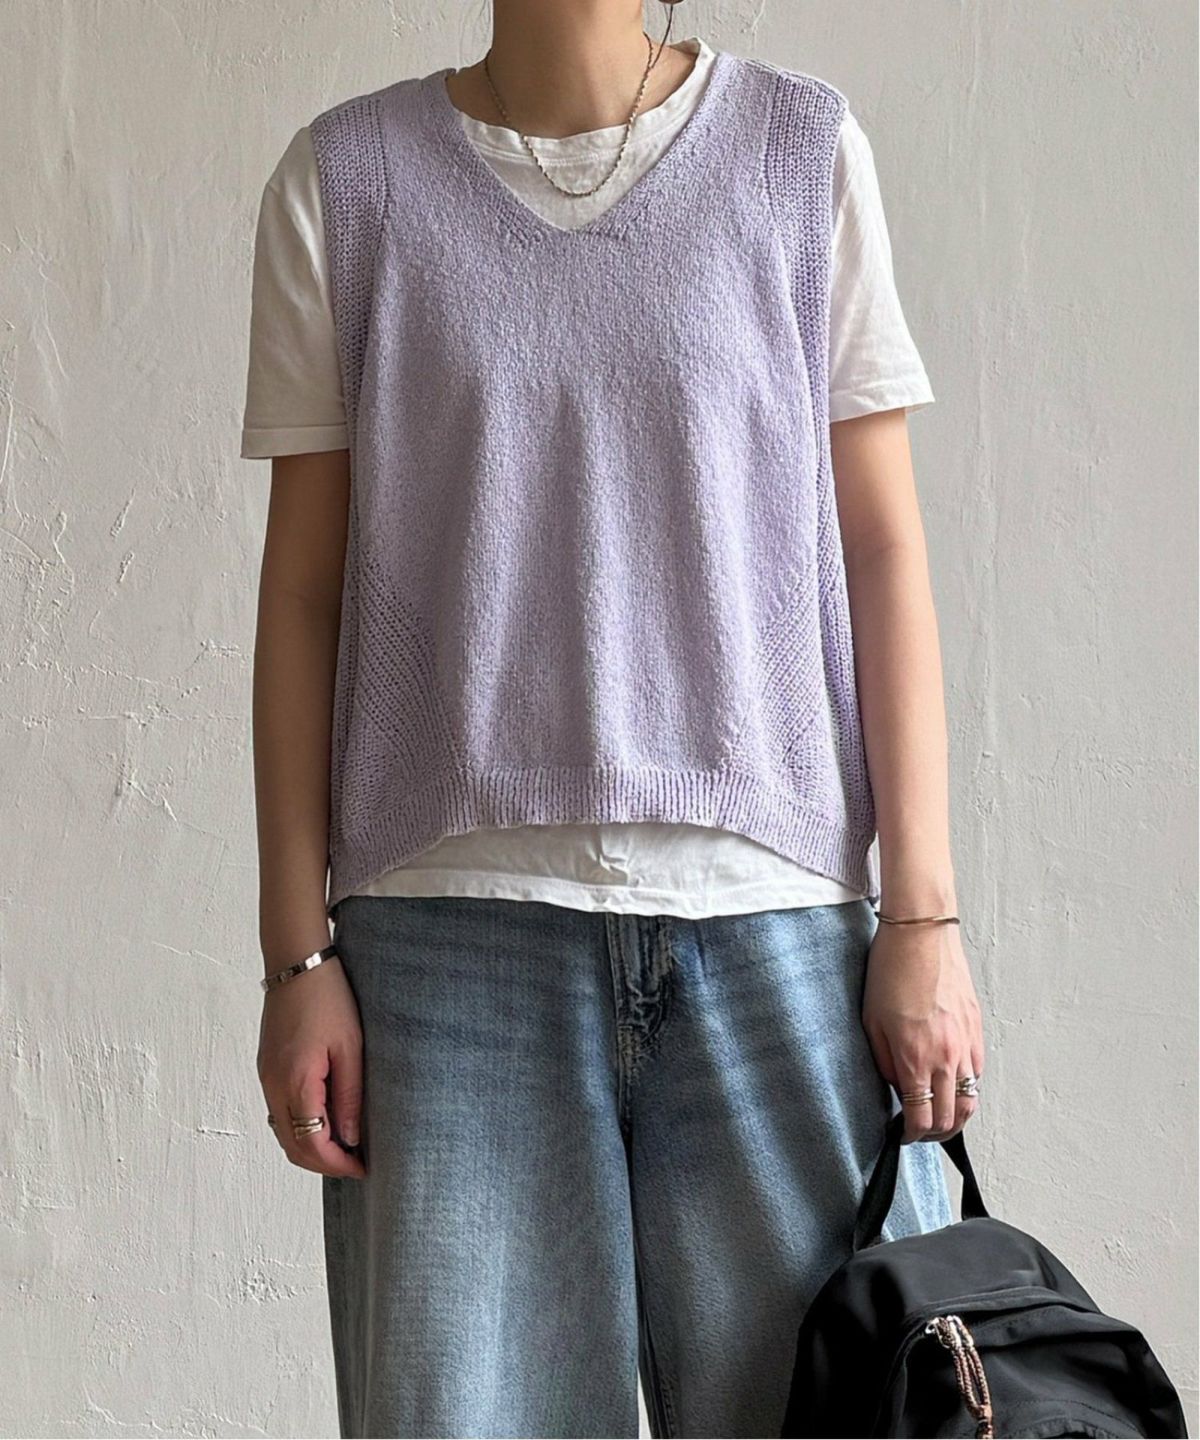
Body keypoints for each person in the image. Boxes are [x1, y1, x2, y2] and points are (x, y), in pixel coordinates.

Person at [241, 3, 985, 1435]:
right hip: (446, 956)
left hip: (773, 938)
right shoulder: (346, 184)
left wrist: (925, 919)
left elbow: (884, 550)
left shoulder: (797, 153)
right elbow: (303, 596)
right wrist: (296, 956)